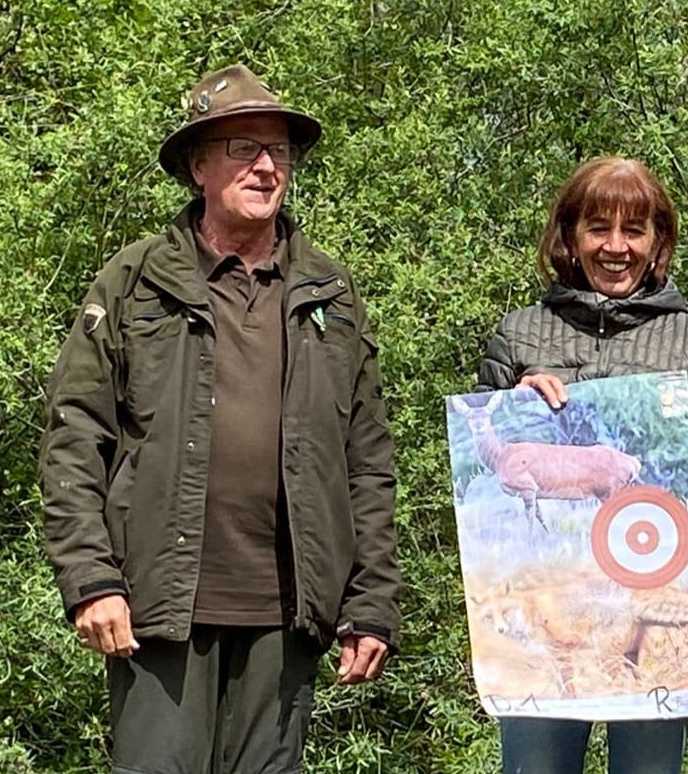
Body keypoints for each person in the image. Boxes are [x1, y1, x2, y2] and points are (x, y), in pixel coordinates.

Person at [38, 63, 400, 773]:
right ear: (197, 167)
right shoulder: (134, 281)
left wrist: (372, 602)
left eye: (279, 151)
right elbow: (74, 436)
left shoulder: (329, 291)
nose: (266, 167)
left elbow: (367, 459)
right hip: (158, 611)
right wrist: (91, 580)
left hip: (290, 616)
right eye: (243, 149)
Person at [475, 156, 688, 774]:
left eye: (634, 230)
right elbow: (486, 479)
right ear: (569, 238)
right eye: (598, 227)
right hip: (546, 604)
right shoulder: (518, 337)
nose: (616, 247)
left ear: (658, 242)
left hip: (655, 599)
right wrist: (515, 406)